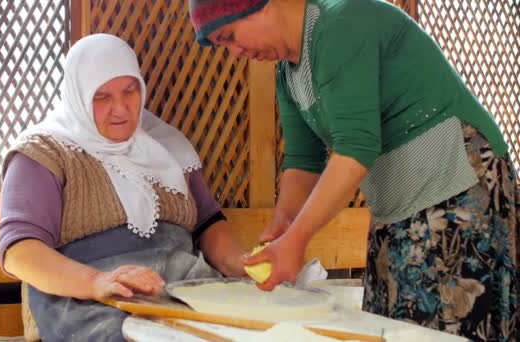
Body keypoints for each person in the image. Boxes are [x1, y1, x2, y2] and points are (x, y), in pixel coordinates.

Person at [188, 0, 519, 340]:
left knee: (445, 329)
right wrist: (284, 223)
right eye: (223, 46)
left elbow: (355, 148)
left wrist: (297, 240)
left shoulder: (340, 23)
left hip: (457, 184)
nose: (235, 52)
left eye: (229, 36)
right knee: (392, 328)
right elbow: (303, 159)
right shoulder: (287, 73)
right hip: (398, 204)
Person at [0, 33, 246, 342]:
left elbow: (209, 223)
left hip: (182, 287)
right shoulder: (45, 152)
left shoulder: (168, 146)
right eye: (102, 97)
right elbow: (18, 252)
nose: (121, 109)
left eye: (130, 91)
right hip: (91, 302)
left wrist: (243, 266)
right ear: (79, 95)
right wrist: (96, 282)